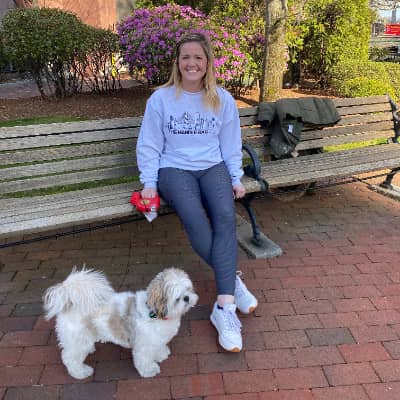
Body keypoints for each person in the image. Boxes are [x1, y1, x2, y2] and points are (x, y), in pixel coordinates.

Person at [136, 32, 258, 352]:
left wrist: (235, 177)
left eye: (198, 58)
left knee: (225, 217)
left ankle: (224, 307)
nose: (192, 63)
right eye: (186, 57)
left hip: (212, 166)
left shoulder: (222, 99)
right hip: (173, 169)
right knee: (195, 219)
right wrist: (149, 184)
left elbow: (230, 143)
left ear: (208, 63)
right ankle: (231, 278)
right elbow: (149, 144)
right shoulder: (161, 99)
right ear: (178, 62)